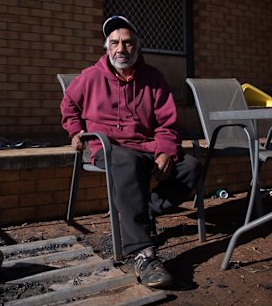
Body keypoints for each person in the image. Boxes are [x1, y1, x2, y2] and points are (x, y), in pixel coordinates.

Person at [60, 15, 202, 288]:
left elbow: (168, 122)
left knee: (191, 167)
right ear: (106, 47)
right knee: (124, 159)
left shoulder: (154, 79)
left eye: (127, 43)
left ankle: (141, 212)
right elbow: (68, 106)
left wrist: (166, 152)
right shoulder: (90, 77)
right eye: (114, 43)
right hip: (108, 147)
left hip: (147, 147)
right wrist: (75, 130)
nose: (120, 49)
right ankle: (144, 254)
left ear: (137, 47)